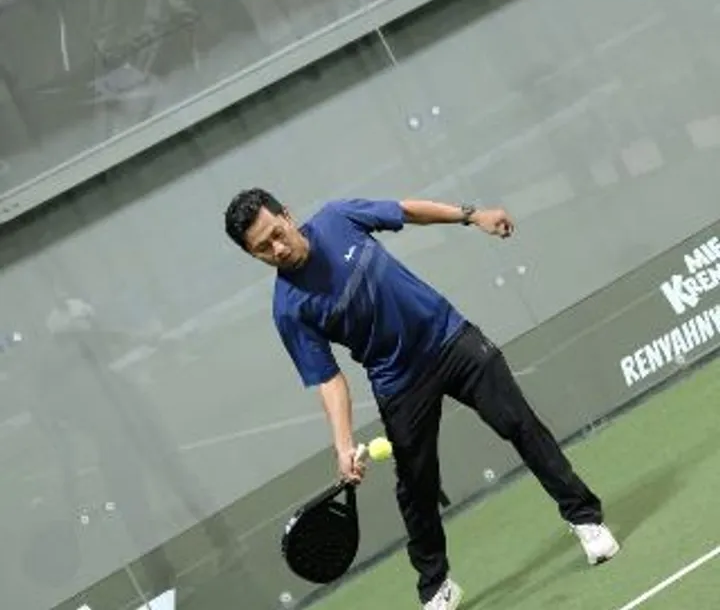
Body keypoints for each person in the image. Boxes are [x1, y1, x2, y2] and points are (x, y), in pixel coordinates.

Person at [224, 188, 620, 610]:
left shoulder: (338, 218)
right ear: (253, 255)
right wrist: (343, 446)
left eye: (276, 233)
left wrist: (472, 216)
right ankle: (436, 586)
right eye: (262, 249)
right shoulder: (289, 310)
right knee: (416, 489)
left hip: (449, 338)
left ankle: (585, 519)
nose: (277, 249)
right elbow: (329, 379)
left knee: (520, 425)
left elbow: (407, 211)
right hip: (397, 381)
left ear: (287, 215)